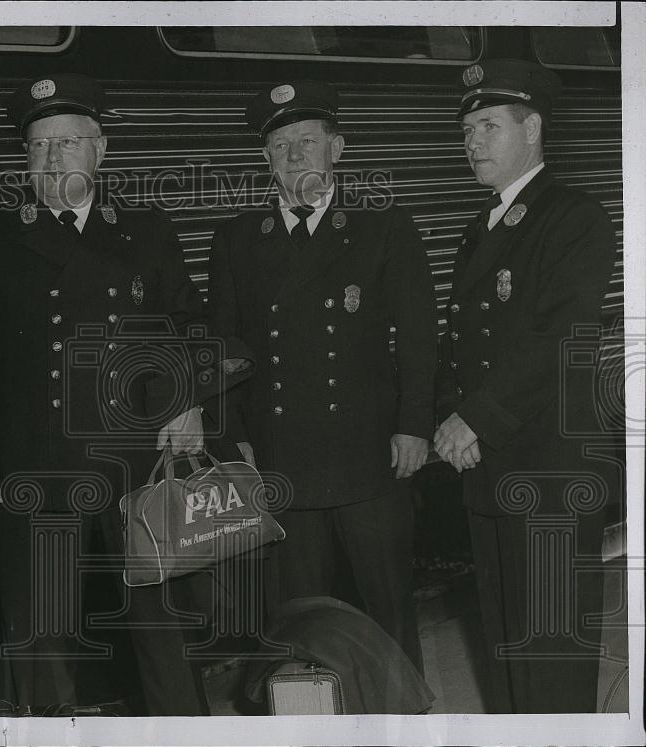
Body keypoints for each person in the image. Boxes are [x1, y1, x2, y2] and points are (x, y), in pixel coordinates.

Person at [0, 73, 211, 715]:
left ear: (100, 149)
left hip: (138, 462)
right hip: (32, 461)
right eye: (38, 147)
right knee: (41, 635)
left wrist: (187, 398)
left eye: (67, 143)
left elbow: (189, 325)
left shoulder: (147, 228)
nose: (52, 159)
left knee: (164, 629)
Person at [206, 80, 437, 671]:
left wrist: (413, 425)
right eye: (280, 146)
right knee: (301, 624)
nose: (294, 156)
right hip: (281, 460)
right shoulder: (236, 240)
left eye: (308, 142)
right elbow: (223, 351)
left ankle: (400, 725)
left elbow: (417, 339)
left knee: (388, 613)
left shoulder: (385, 228)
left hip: (371, 453)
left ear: (338, 148)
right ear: (265, 160)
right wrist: (232, 443)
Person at [434, 58, 619, 713]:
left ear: (533, 127)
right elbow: (462, 346)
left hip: (547, 469)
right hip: (489, 467)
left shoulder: (573, 217)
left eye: (487, 125)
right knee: (507, 647)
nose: (471, 141)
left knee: (551, 655)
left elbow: (558, 337)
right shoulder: (478, 226)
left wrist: (473, 418)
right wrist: (452, 420)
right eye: (466, 131)